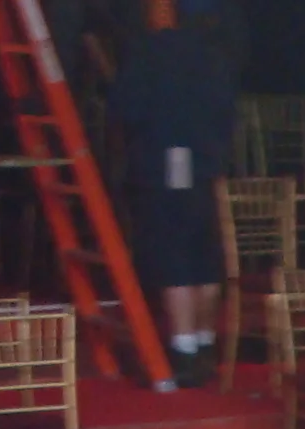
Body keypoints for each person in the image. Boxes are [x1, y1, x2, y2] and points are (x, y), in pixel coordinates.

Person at [106, 7, 240, 384]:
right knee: (205, 253)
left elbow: (126, 108)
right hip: (208, 163)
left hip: (172, 160)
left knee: (176, 252)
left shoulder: (152, 53)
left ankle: (185, 349)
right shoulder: (213, 54)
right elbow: (227, 113)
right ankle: (203, 343)